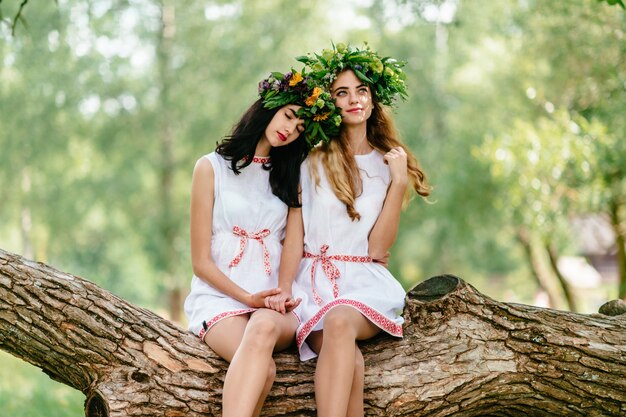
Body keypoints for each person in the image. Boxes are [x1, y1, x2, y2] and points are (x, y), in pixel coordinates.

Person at [283, 43, 431, 416]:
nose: (353, 100)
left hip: (363, 284)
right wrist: (285, 288)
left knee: (340, 320)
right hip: (313, 285)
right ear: (329, 103)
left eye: (361, 91)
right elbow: (295, 234)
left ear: (373, 99)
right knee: (351, 361)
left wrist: (398, 183)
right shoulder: (310, 162)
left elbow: (379, 248)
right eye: (342, 93)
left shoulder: (388, 164)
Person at [183, 69, 341, 417]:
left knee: (263, 324)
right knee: (264, 370)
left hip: (275, 304)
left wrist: (282, 291)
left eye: (300, 128)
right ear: (270, 106)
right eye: (288, 116)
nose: (289, 129)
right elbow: (200, 262)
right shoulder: (209, 169)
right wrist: (246, 298)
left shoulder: (291, 176)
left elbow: (292, 244)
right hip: (220, 299)